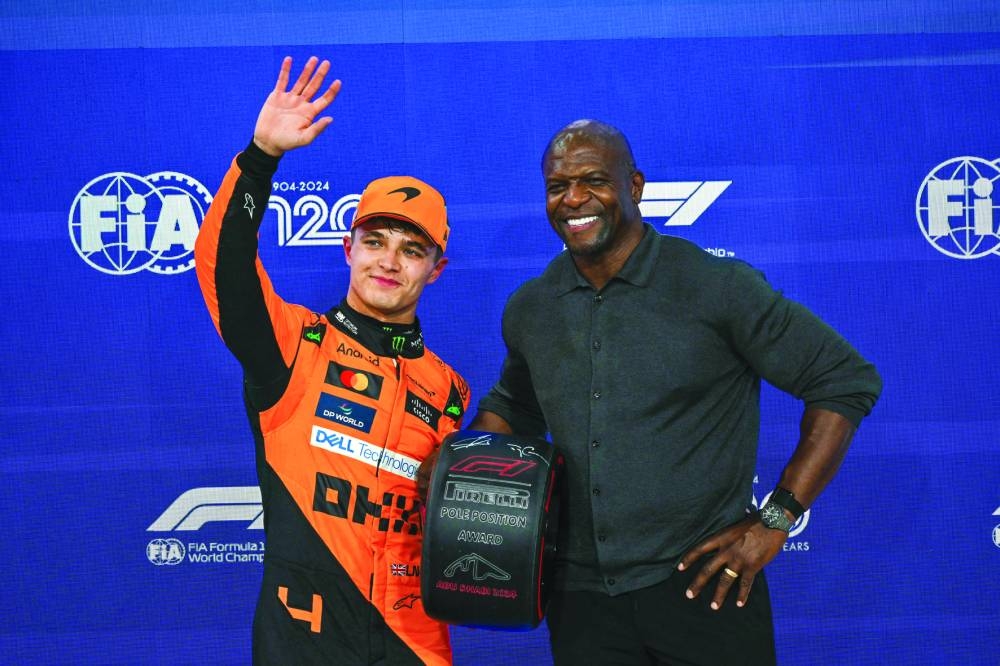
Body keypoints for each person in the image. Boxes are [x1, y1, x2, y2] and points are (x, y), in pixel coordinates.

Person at [467, 119, 882, 665]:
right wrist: (458, 464)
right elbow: (514, 409)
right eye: (557, 186)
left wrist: (776, 519)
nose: (573, 199)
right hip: (582, 601)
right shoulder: (532, 306)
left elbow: (844, 380)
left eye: (594, 181)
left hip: (706, 588)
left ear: (635, 187)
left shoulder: (716, 285)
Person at [194, 56, 469, 665]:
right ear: (348, 249)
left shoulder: (449, 388)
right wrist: (261, 158)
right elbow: (223, 265)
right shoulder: (294, 344)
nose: (389, 261)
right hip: (303, 638)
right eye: (375, 241)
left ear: (435, 269)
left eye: (412, 250)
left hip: (415, 641)